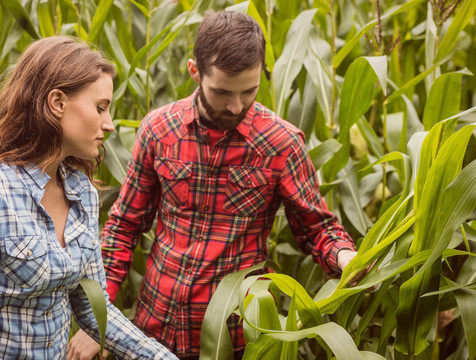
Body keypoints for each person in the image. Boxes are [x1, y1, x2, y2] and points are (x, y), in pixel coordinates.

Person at [69, 10, 358, 360]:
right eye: (222, 92)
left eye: (249, 91)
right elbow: (124, 226)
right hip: (153, 329)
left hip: (236, 336)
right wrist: (100, 316)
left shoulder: (282, 143)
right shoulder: (159, 130)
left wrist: (346, 258)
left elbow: (316, 228)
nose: (236, 106)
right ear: (195, 71)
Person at [0, 36, 178, 360]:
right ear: (57, 103)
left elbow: (94, 308)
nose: (108, 124)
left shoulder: (84, 195)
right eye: (100, 107)